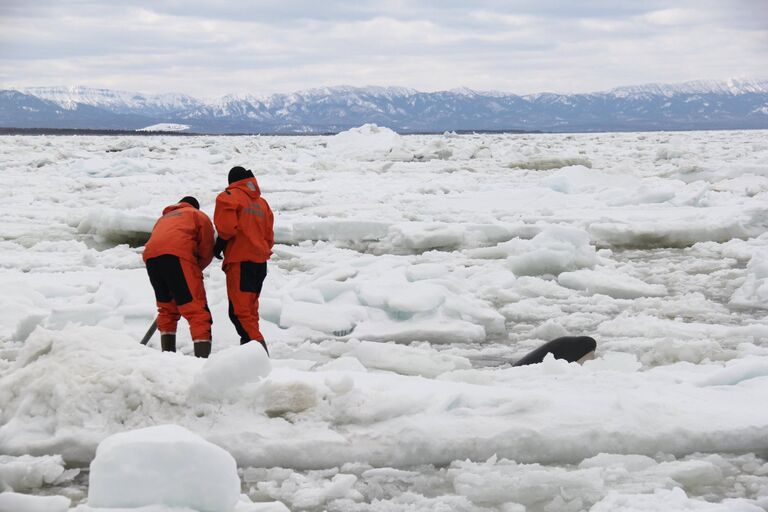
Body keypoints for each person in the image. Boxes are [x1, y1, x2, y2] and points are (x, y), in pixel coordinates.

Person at [143, 196, 215, 358]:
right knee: (197, 312)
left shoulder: (163, 218)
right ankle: (201, 363)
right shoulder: (197, 215)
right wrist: (195, 269)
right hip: (178, 256)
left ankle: (168, 357)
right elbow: (206, 247)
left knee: (166, 309)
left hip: (151, 259)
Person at [214, 166, 274, 354]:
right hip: (259, 264)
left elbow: (226, 229)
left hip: (241, 262)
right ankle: (248, 354)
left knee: (240, 313)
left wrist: (219, 245)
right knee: (250, 312)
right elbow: (269, 237)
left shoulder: (229, 196)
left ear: (231, 181)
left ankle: (260, 355)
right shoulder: (262, 204)